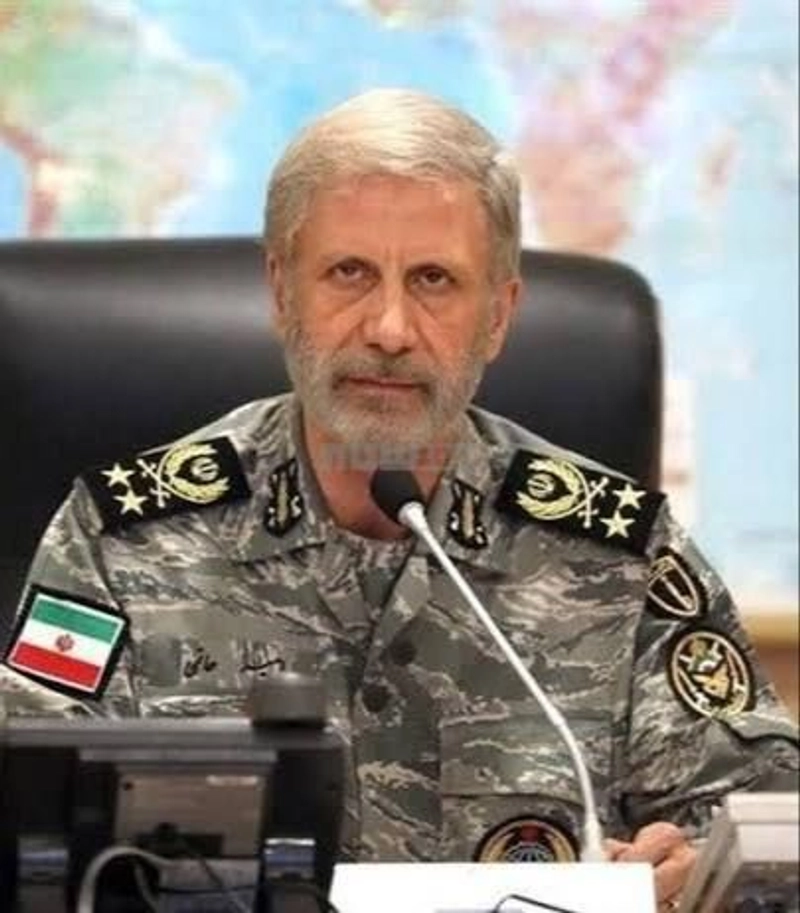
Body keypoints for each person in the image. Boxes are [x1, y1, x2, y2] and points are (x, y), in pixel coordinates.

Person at [1, 88, 797, 909]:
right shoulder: (123, 539)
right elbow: (23, 826)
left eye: (434, 280)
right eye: (349, 273)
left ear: (498, 316)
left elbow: (769, 833)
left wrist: (693, 868)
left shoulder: (618, 557)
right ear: (282, 292)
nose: (389, 327)